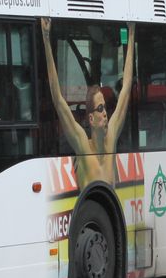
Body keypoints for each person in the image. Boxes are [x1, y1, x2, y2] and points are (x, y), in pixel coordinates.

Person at [40, 18, 135, 188]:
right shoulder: (83, 145)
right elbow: (57, 98)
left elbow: (126, 87)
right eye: (100, 108)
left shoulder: (112, 137)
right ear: (91, 119)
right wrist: (46, 38)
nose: (106, 113)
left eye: (105, 107)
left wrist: (132, 31)